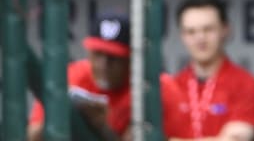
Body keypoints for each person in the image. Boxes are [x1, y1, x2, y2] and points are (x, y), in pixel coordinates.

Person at [27, 14, 186, 141]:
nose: (103, 64)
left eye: (113, 57)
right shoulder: (70, 76)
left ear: (131, 59)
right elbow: (31, 136)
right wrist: (68, 119)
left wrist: (102, 127)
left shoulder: (157, 89)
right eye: (97, 54)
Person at [169, 0, 254, 141]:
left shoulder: (247, 85)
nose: (200, 38)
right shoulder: (171, 87)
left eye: (208, 29)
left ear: (225, 30)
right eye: (191, 31)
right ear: (182, 36)